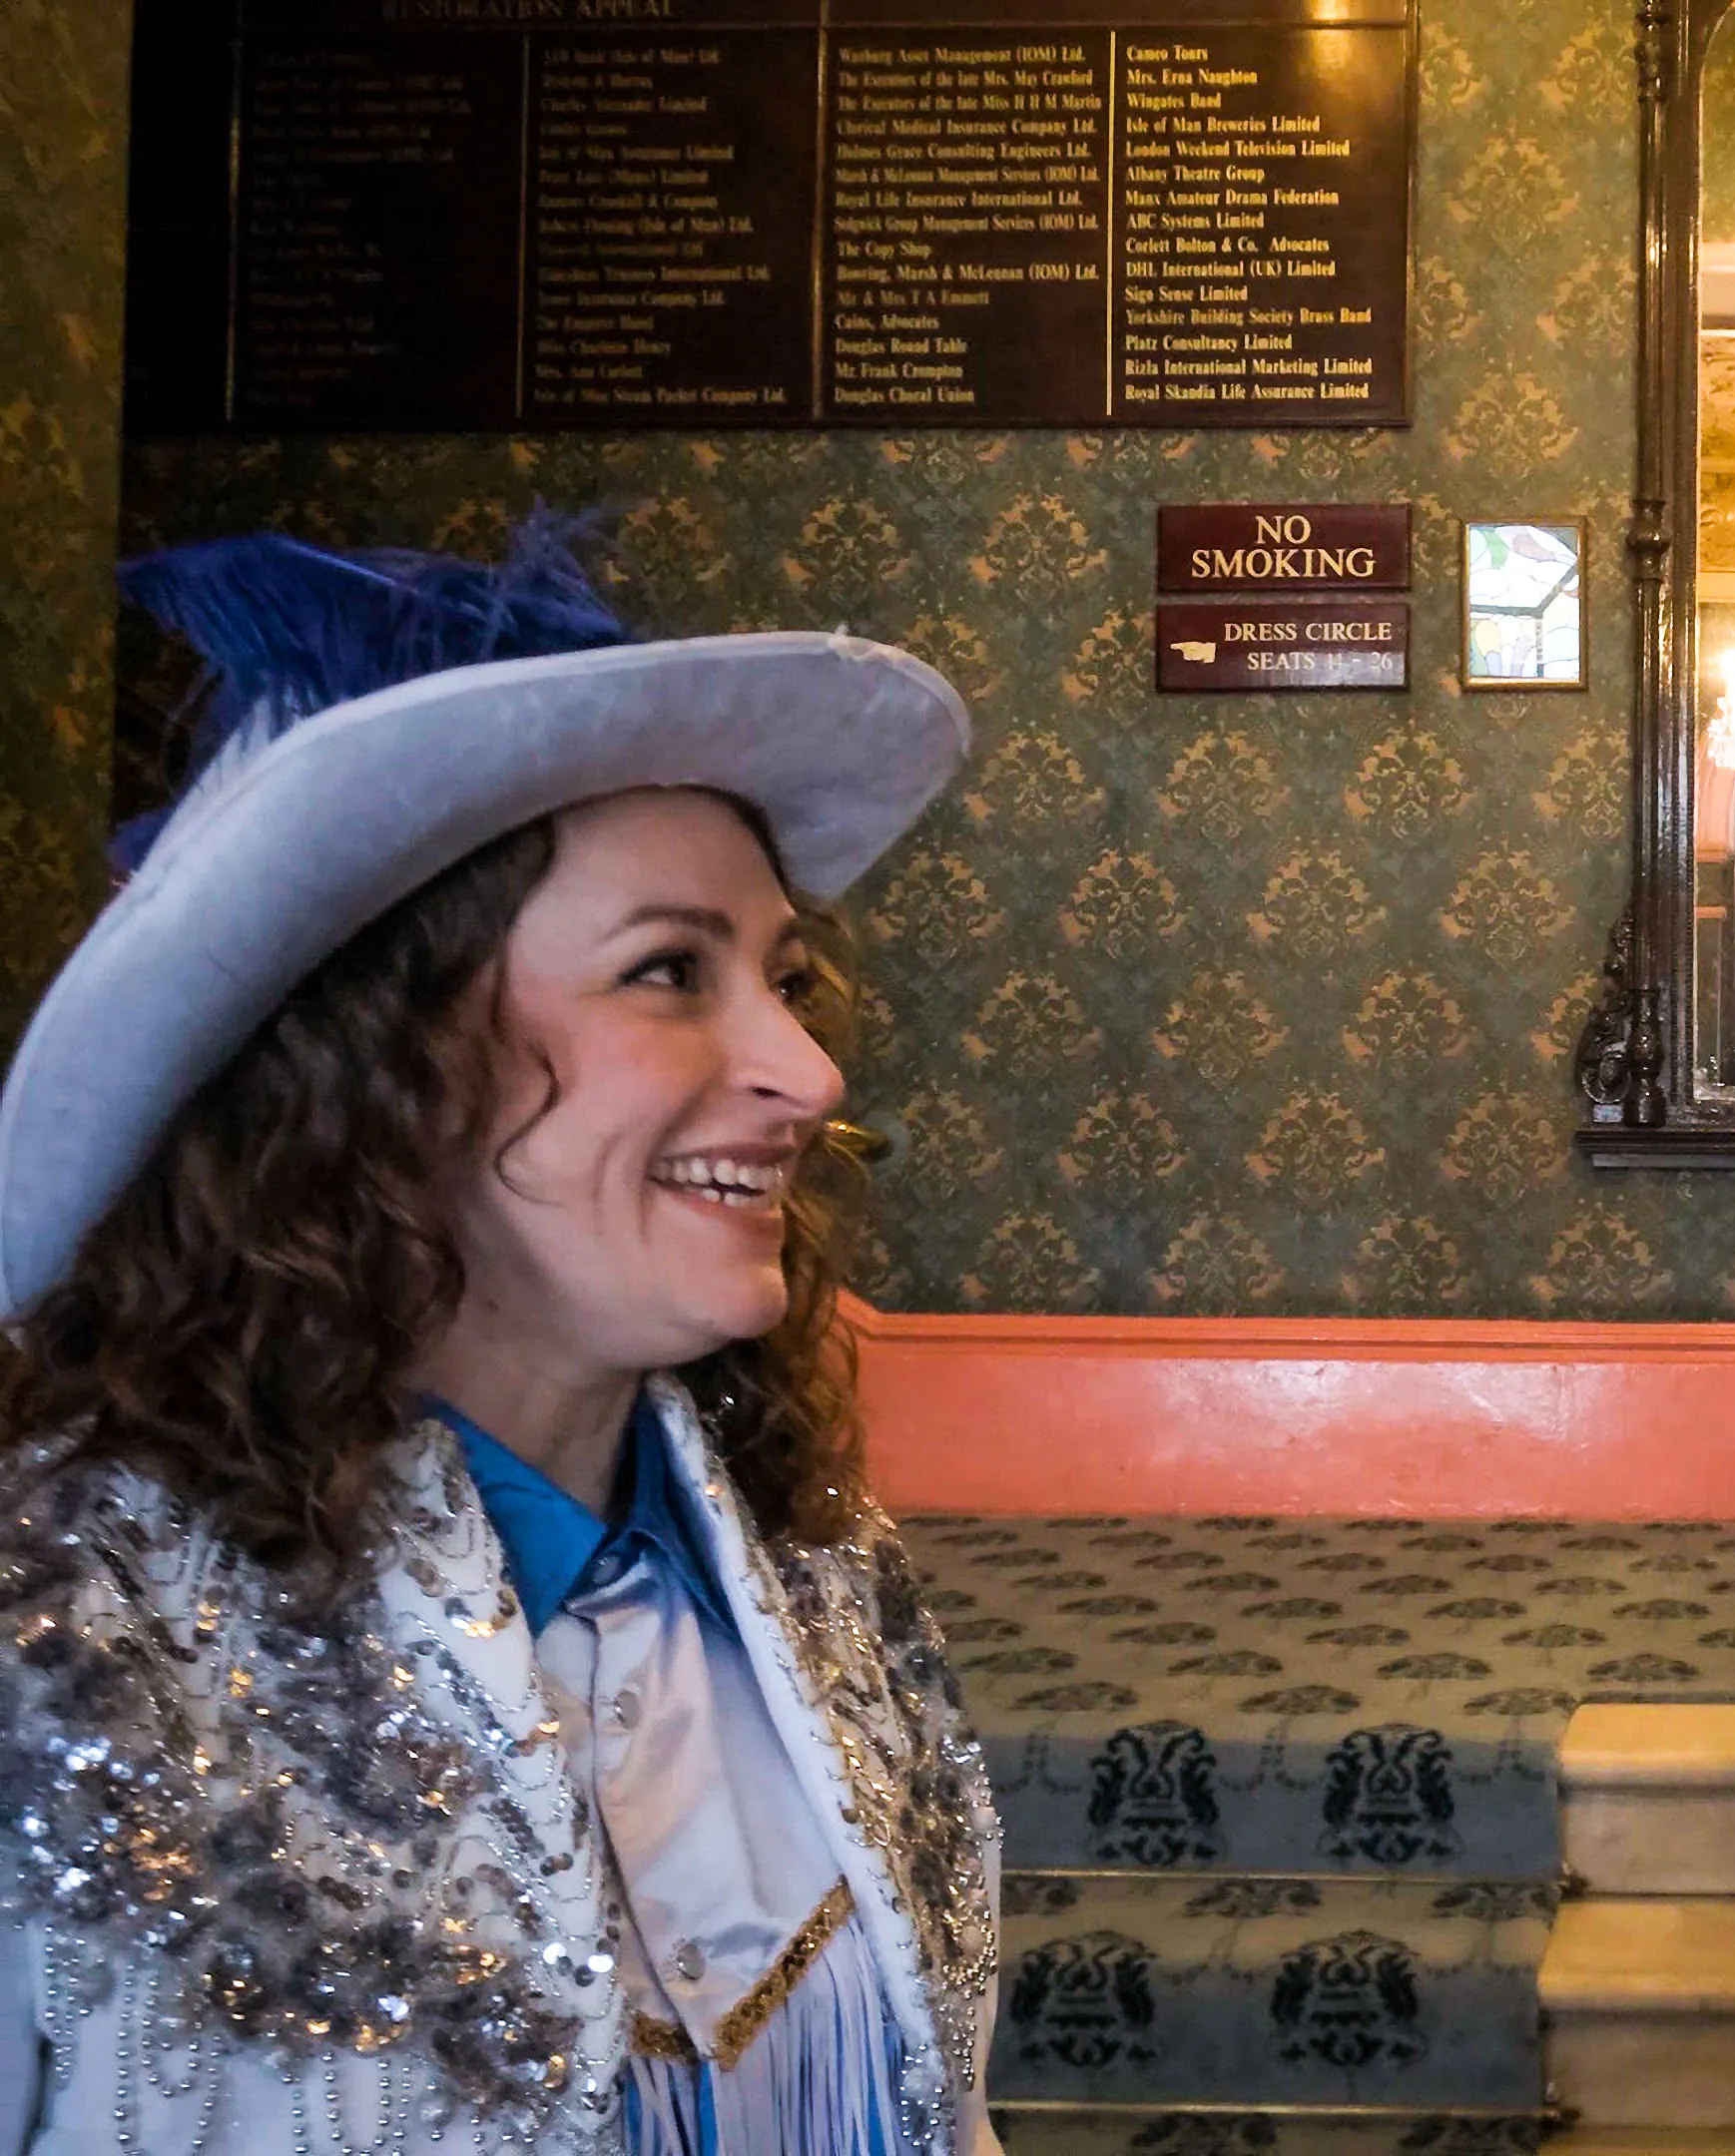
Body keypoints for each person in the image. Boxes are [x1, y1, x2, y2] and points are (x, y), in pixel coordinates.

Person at [0, 523, 1003, 2151]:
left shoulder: (817, 1575)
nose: (811, 1078)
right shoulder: (61, 1650)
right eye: (670, 971)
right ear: (377, 1071)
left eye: (789, 980)